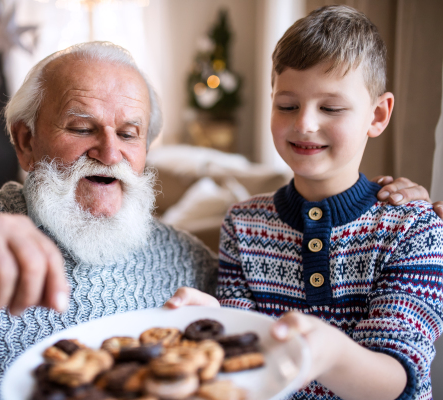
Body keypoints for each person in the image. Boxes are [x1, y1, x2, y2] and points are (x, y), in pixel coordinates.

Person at [0, 41, 435, 400]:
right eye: (81, 127)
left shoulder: (189, 262)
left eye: (129, 133)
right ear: (25, 142)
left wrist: (389, 197)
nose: (110, 151)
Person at [166, 6, 443, 400]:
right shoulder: (243, 224)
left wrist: (328, 353)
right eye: (287, 105)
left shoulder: (414, 227)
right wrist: (215, 320)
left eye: (330, 107)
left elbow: (396, 380)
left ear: (377, 115)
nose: (304, 124)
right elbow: (248, 362)